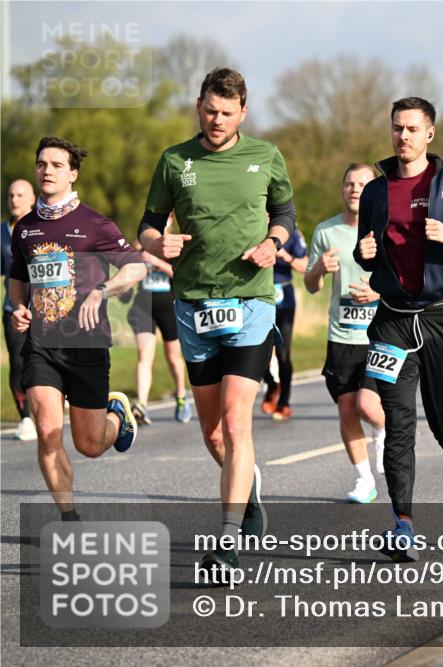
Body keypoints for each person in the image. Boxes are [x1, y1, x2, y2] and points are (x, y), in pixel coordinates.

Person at [139, 68, 296, 575]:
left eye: (227, 112)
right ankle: (247, 493)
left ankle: (226, 544)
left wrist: (273, 243)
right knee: (213, 436)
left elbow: (286, 215)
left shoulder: (266, 156)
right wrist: (155, 243)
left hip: (251, 301)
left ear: (243, 113)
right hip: (194, 306)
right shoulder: (175, 161)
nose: (217, 119)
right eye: (210, 109)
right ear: (198, 106)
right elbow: (147, 225)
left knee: (235, 420)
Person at [355, 97, 443, 562]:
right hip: (393, 319)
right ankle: (403, 525)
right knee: (398, 422)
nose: (403, 137)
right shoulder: (376, 192)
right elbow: (367, 251)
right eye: (397, 128)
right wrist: (364, 253)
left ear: (430, 134)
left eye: (412, 129)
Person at [9, 137, 145, 517]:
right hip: (41, 345)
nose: (46, 170)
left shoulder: (94, 224)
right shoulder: (26, 228)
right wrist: (19, 306)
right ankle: (69, 516)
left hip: (86, 345)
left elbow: (135, 267)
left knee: (89, 444)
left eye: (56, 165)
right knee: (49, 430)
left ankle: (117, 415)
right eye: (41, 164)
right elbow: (17, 276)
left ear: (72, 173)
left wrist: (103, 289)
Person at [306, 162, 386, 503]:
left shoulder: (386, 230)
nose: (355, 189)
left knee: (368, 405)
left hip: (380, 334)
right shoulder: (326, 232)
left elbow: (410, 282)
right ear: (342, 190)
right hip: (341, 336)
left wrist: (378, 293)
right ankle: (364, 480)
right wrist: (320, 268)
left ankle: (384, 428)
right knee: (347, 409)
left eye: (362, 184)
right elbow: (310, 285)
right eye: (349, 183)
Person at [123, 234, 191, 424]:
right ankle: (142, 405)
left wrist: (156, 262)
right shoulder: (140, 245)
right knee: (144, 355)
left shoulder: (175, 244)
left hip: (170, 306)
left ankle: (180, 396)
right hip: (144, 306)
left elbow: (182, 275)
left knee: (173, 357)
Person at [2, 179, 38, 440]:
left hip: (46, 310)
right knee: (18, 361)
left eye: (20, 195)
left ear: (32, 198)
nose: (14, 199)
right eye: (11, 195)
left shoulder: (44, 226)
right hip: (13, 309)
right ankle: (25, 417)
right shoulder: (2, 232)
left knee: (44, 361)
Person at [260, 228, 308, 420]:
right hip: (259, 297)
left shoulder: (292, 233)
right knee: (258, 351)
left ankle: (284, 401)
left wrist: (285, 256)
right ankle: (271, 384)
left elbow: (305, 266)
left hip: (284, 298)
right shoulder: (252, 225)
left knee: (283, 353)